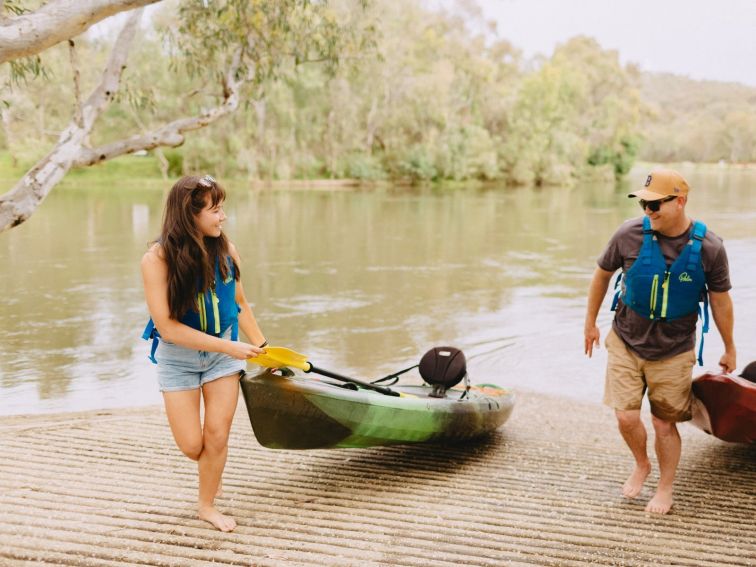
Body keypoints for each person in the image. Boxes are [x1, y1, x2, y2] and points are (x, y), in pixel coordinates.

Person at [584, 168, 735, 515]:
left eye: (655, 205)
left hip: (674, 349)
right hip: (625, 339)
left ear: (680, 202)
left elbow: (721, 301)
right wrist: (589, 323)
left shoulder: (710, 248)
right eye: (643, 205)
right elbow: (602, 276)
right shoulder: (628, 235)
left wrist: (729, 347)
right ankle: (641, 463)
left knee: (664, 424)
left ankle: (665, 488)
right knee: (625, 417)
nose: (647, 212)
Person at [141, 174, 266, 532]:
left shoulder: (226, 250)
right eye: (215, 209)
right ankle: (211, 468)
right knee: (193, 445)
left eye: (222, 207)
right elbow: (167, 327)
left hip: (223, 358)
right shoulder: (156, 259)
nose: (222, 217)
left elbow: (239, 303)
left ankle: (206, 505)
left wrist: (264, 349)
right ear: (188, 214)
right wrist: (232, 347)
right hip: (178, 359)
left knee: (217, 436)